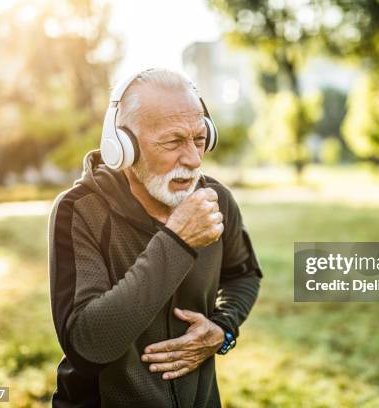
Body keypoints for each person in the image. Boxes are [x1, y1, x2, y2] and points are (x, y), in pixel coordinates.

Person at [47, 68, 262, 407]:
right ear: (123, 146)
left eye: (199, 139)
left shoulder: (216, 200)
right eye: (173, 141)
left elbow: (244, 275)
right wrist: (177, 241)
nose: (193, 159)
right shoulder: (79, 211)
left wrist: (223, 330)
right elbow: (88, 345)